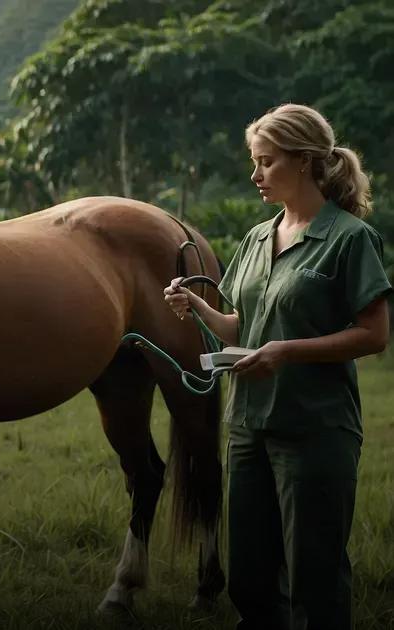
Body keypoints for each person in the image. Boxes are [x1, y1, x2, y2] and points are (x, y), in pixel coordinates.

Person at [163, 104, 391, 629]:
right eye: (254, 161)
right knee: (250, 577)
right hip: (248, 430)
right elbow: (241, 327)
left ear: (306, 162)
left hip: (314, 430)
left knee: (315, 580)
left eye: (266, 162)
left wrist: (287, 352)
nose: (255, 174)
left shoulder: (349, 238)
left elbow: (375, 334)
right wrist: (197, 308)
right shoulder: (258, 237)